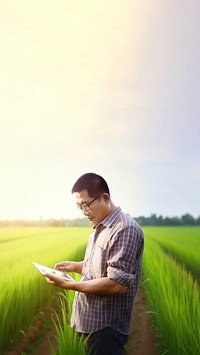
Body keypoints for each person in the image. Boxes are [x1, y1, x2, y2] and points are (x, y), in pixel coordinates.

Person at [46, 172, 144, 355]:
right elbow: (99, 267)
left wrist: (70, 285)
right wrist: (75, 266)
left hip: (104, 328)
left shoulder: (125, 230)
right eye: (79, 206)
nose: (84, 212)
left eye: (86, 205)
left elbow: (116, 284)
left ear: (105, 198)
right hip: (86, 320)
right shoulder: (100, 227)